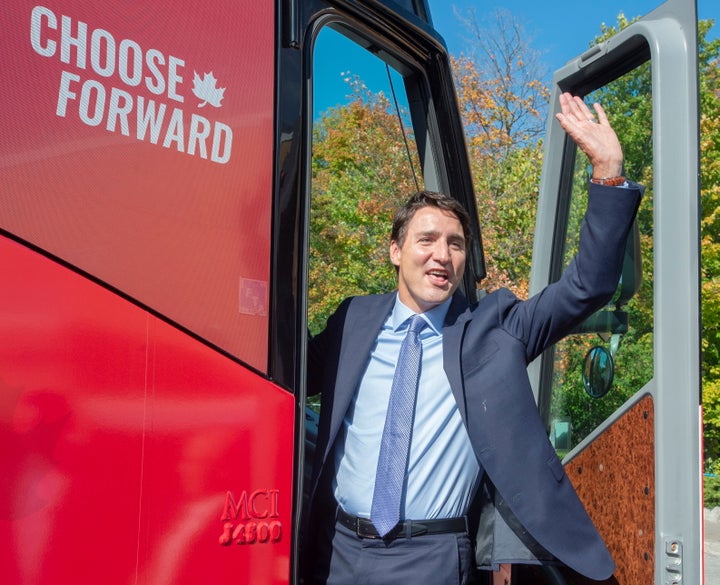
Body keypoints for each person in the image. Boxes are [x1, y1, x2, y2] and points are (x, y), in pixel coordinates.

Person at [303, 93, 643, 584]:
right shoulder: (352, 319)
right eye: (427, 240)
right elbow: (277, 367)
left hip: (434, 559)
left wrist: (608, 171)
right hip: (335, 551)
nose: (442, 254)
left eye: (455, 244)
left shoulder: (496, 327)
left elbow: (586, 286)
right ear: (395, 251)